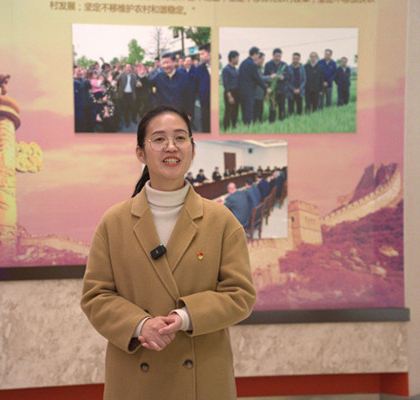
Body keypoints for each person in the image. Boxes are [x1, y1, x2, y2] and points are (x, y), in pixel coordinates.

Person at [81, 105, 256, 400]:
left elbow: (240, 295)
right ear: (140, 153)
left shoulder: (221, 220)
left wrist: (186, 316)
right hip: (135, 374)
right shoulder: (114, 221)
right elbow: (96, 296)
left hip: (202, 375)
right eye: (159, 139)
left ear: (192, 149)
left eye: (180, 138)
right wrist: (140, 325)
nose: (171, 147)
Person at [143, 52, 193, 118]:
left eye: (167, 62)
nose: (165, 66)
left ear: (174, 62)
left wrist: (189, 114)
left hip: (180, 114)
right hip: (164, 114)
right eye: (163, 63)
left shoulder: (184, 77)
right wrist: (142, 75)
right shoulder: (159, 77)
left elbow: (190, 96)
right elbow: (148, 84)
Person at [238, 46, 268, 125]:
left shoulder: (243, 63)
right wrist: (266, 88)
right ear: (254, 54)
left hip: (242, 92)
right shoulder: (252, 64)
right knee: (249, 112)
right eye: (258, 54)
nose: (258, 56)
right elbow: (257, 78)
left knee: (244, 112)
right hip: (249, 92)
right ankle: (249, 128)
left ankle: (245, 126)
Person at [264, 48, 288, 123]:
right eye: (277, 56)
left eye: (280, 56)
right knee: (272, 108)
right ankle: (272, 123)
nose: (278, 58)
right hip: (272, 91)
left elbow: (288, 76)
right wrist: (271, 78)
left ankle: (282, 122)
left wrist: (283, 77)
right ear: (273, 55)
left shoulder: (284, 64)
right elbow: (265, 76)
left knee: (282, 107)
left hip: (281, 89)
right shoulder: (268, 65)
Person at [194, 43, 211, 132]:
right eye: (200, 54)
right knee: (206, 127)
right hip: (205, 105)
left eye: (202, 54)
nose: (200, 57)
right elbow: (195, 86)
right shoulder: (199, 69)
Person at [117, 63, 139, 128]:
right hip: (124, 95)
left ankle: (134, 119)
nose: (128, 68)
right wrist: (114, 81)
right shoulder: (122, 75)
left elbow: (137, 81)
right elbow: (116, 80)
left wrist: (138, 83)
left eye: (129, 67)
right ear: (125, 68)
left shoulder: (134, 75)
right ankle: (127, 122)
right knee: (125, 109)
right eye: (127, 67)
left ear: (131, 68)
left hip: (131, 94)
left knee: (133, 108)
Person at [222, 50, 239, 130]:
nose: (238, 60)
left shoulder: (235, 69)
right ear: (232, 59)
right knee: (229, 111)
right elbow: (226, 84)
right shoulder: (226, 69)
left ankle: (234, 125)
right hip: (230, 93)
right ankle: (226, 127)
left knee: (235, 110)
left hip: (236, 92)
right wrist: (230, 96)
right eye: (237, 58)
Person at [253, 52, 271, 123]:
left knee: (260, 112)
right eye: (262, 59)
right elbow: (259, 78)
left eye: (264, 59)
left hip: (260, 95)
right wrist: (270, 77)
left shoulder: (259, 68)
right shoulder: (254, 68)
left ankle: (259, 125)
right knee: (256, 113)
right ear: (258, 59)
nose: (263, 61)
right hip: (255, 95)